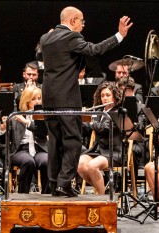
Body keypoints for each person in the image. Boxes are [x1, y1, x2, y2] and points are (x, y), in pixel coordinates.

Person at [40, 6, 132, 197]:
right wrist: (119, 35)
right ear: (73, 20)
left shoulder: (45, 38)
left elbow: (49, 58)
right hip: (66, 99)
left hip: (48, 98)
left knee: (55, 141)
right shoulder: (72, 37)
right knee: (72, 141)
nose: (83, 25)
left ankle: (55, 182)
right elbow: (96, 50)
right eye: (81, 21)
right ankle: (63, 184)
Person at [0, 86, 49, 193]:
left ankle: (47, 196)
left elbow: (43, 133)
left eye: (39, 98)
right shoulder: (15, 116)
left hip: (39, 148)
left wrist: (27, 122)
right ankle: (23, 194)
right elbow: (3, 140)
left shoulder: (42, 116)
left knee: (47, 161)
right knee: (28, 162)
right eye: (34, 99)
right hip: (21, 150)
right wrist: (3, 129)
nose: (37, 101)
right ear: (26, 101)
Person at [77, 82, 122, 194]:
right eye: (102, 96)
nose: (105, 98)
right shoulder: (98, 113)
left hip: (113, 151)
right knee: (80, 164)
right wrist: (80, 119)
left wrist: (89, 122)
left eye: (108, 95)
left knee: (92, 166)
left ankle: (101, 198)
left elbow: (105, 128)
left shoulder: (118, 113)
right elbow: (87, 130)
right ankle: (103, 191)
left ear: (114, 96)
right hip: (98, 151)